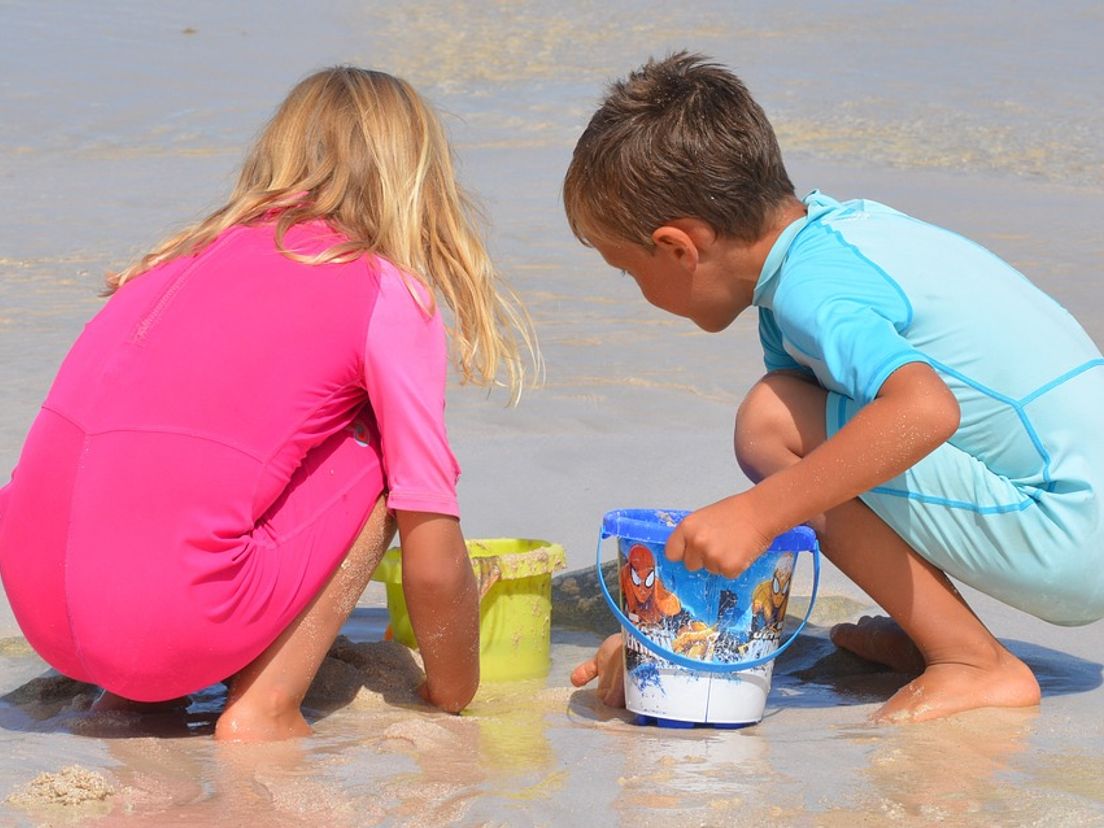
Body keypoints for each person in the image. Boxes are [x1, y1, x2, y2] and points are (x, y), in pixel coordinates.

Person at [0, 66, 536, 741]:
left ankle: (135, 699)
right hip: (166, 623)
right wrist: (453, 691)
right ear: (418, 182)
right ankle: (266, 705)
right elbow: (431, 545)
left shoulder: (172, 260)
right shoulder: (383, 288)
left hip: (38, 603)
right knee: (383, 452)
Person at [564, 52, 1104, 722]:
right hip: (1075, 507)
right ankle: (931, 629)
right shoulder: (834, 237)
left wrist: (757, 514)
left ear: (679, 247)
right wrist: (670, 632)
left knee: (770, 423)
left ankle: (973, 660)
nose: (637, 291)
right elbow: (833, 476)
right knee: (799, 428)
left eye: (627, 269)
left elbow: (926, 411)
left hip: (1075, 534)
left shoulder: (811, 291)